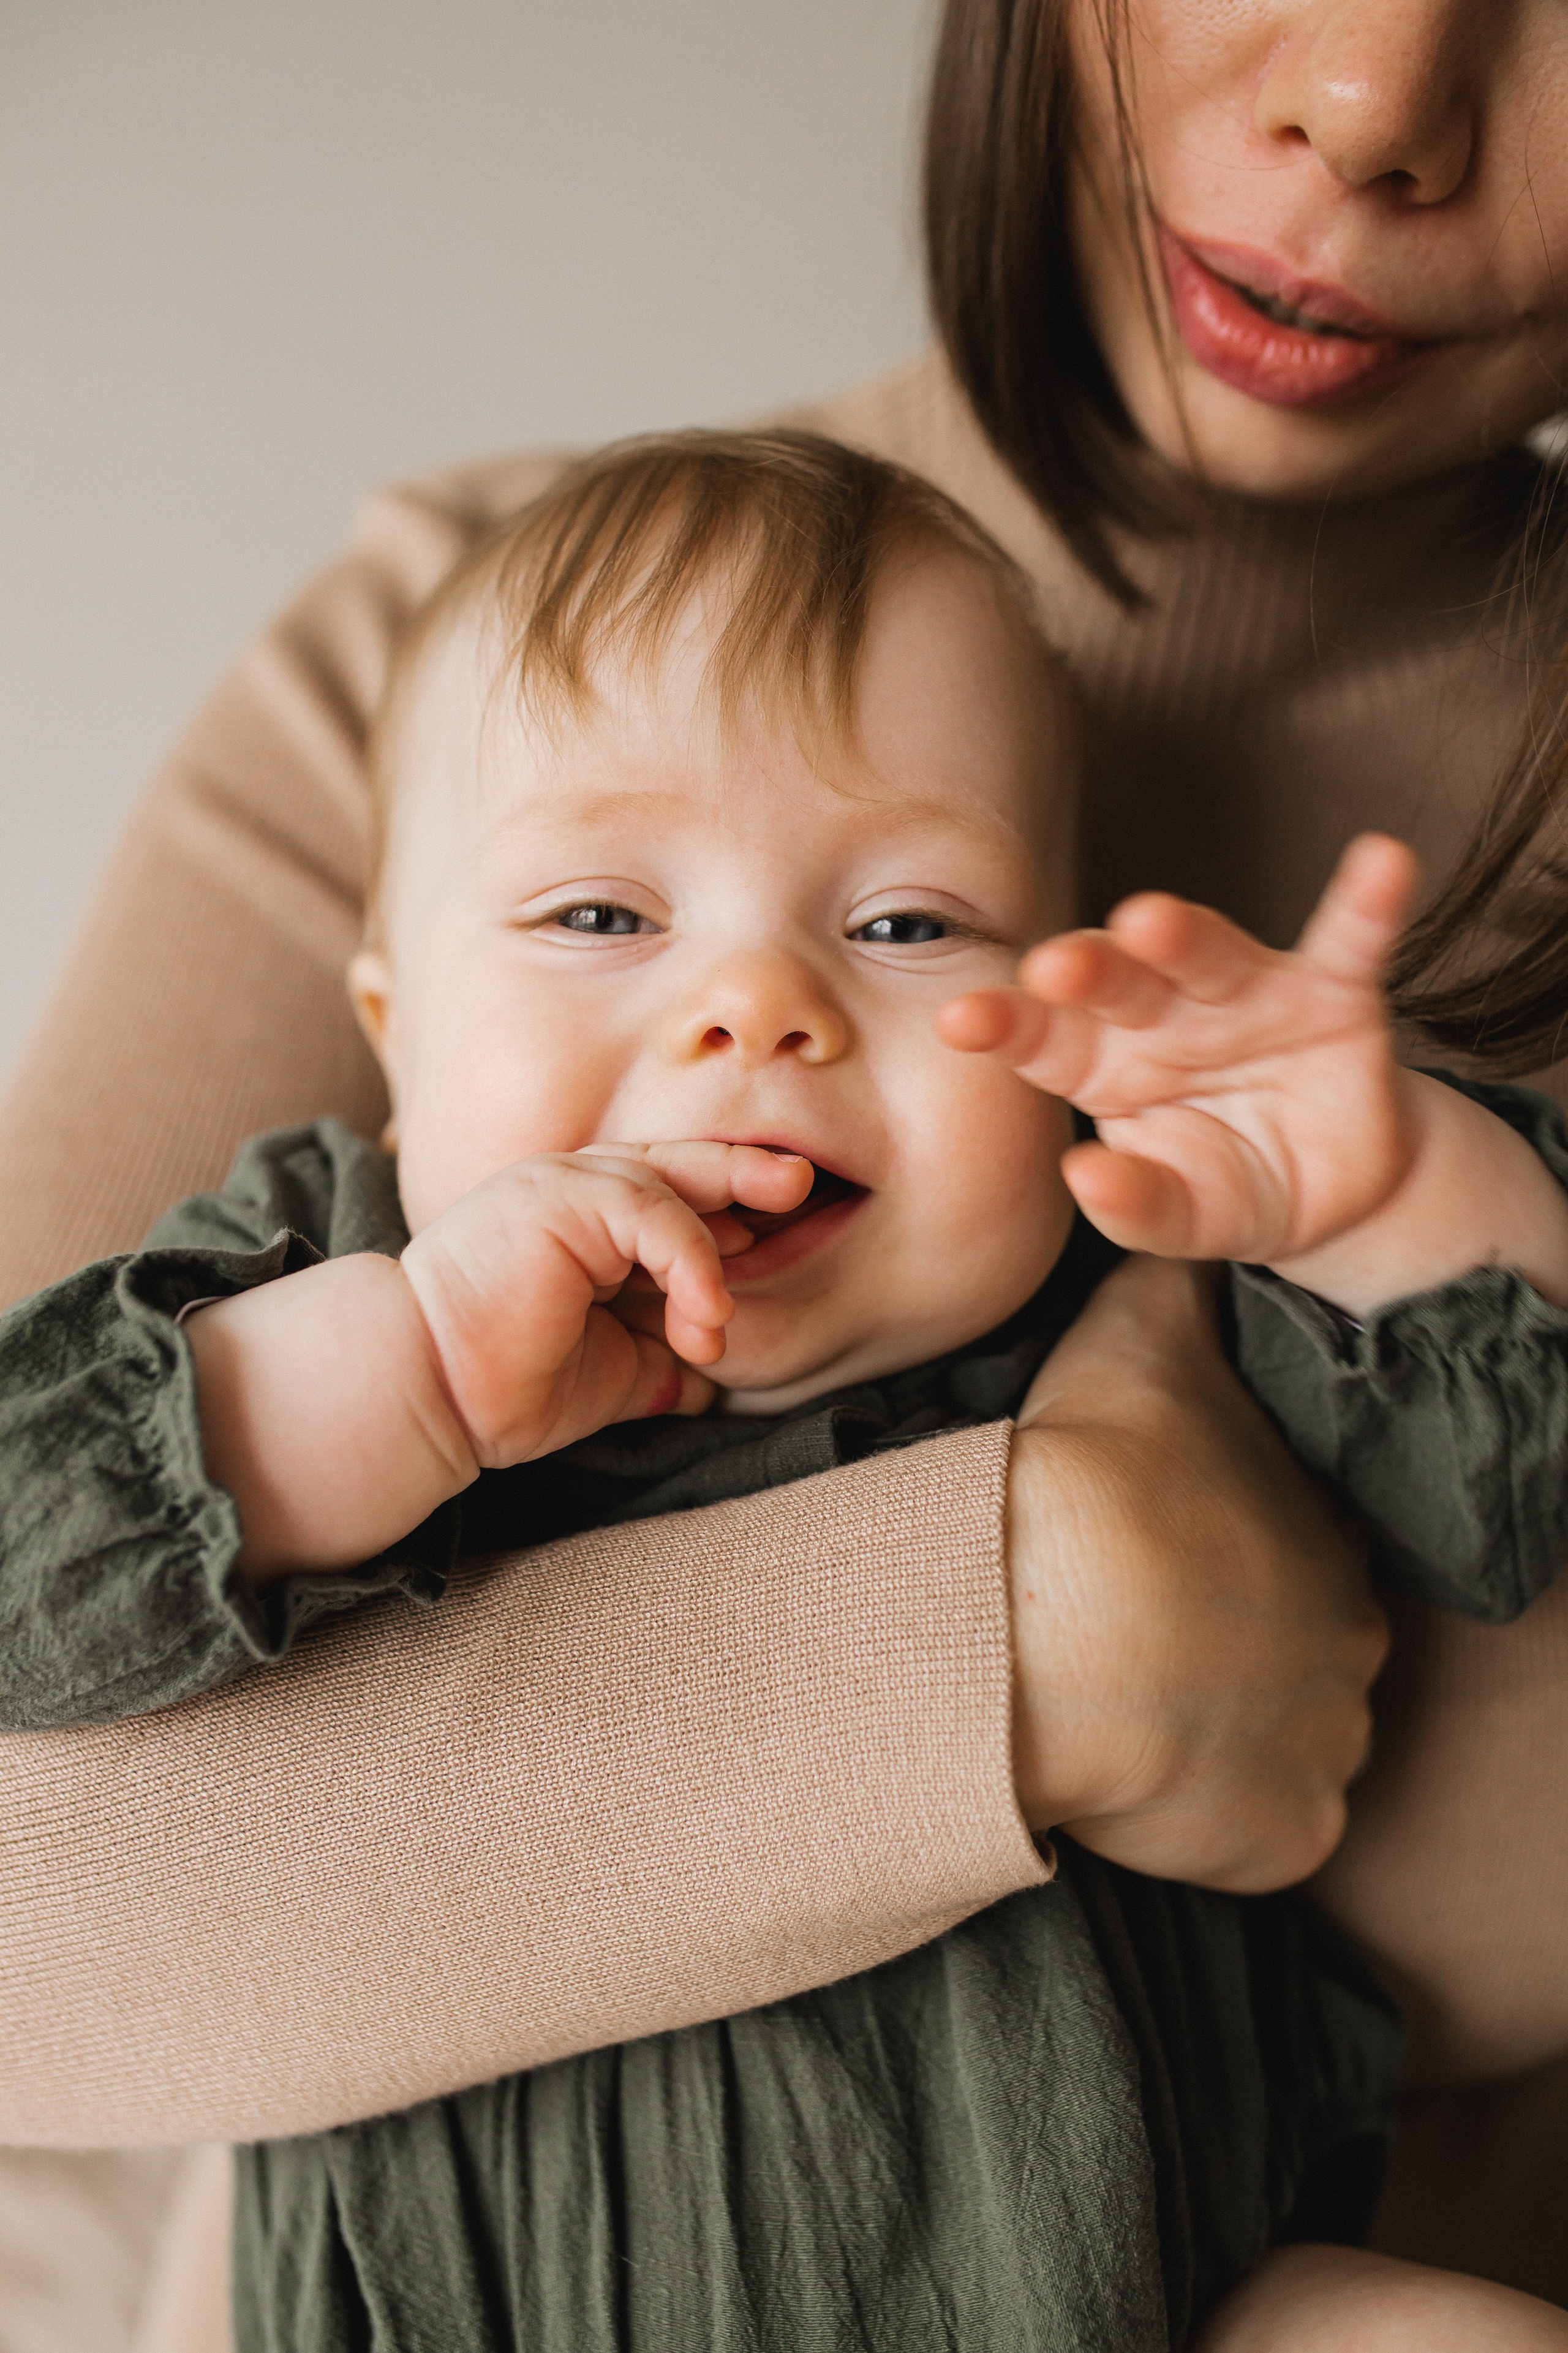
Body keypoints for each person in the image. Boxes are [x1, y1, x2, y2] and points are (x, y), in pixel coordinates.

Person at [2, 0, 1567, 2322]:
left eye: (913, 928)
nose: (759, 1017)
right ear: (390, 1035)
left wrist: (1400, 1201)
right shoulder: (326, 1245)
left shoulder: (1110, 1236)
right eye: (603, 920)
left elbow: (1503, 1495)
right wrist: (405, 1380)